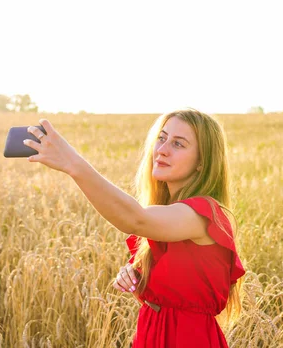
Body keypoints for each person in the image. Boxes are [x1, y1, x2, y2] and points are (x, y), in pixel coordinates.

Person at [24, 108, 246, 347]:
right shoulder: (169, 213)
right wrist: (137, 276)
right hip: (150, 334)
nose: (162, 150)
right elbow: (179, 281)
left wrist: (72, 163)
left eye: (178, 144)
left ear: (202, 162)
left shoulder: (204, 212)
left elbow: (135, 219)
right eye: (161, 139)